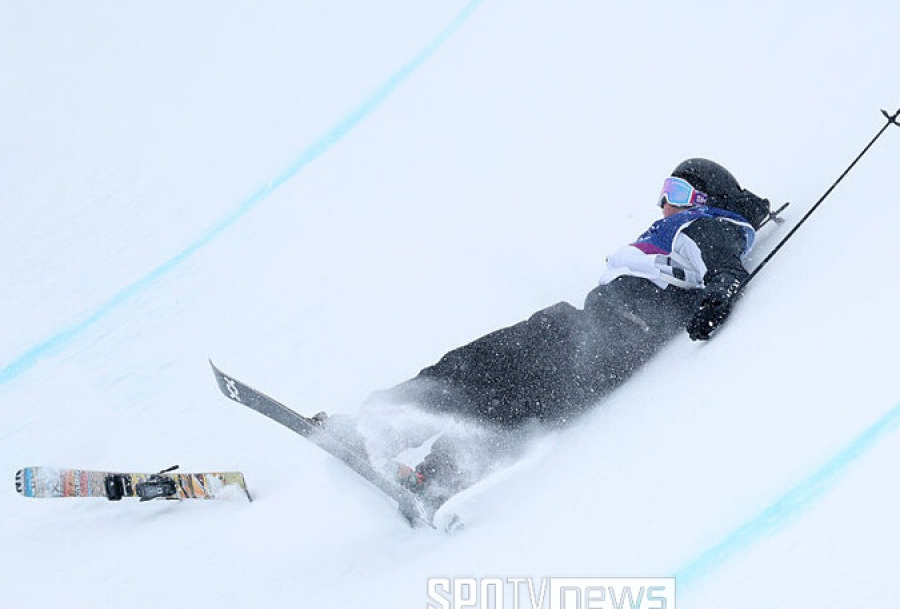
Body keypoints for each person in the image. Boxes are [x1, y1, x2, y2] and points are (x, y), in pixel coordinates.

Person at [326, 158, 772, 511]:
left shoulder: (705, 223)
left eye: (674, 192)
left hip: (593, 333)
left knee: (478, 367)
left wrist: (718, 299)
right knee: (507, 404)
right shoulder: (696, 226)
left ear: (703, 198)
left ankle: (384, 425)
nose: (663, 204)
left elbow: (724, 269)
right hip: (603, 353)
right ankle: (434, 479)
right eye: (662, 194)